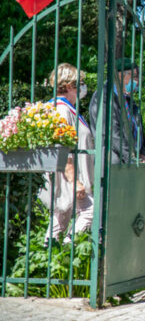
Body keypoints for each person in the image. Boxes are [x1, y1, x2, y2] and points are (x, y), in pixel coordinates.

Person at [40, 63, 95, 242]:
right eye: (81, 82)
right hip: (68, 175)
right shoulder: (62, 109)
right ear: (70, 85)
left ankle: (51, 257)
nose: (83, 87)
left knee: (61, 217)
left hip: (71, 174)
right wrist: (74, 181)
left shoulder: (67, 108)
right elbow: (61, 148)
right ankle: (67, 248)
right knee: (90, 211)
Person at [89, 58, 145, 163]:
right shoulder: (104, 96)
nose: (137, 81)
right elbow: (112, 133)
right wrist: (131, 157)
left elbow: (138, 128)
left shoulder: (128, 99)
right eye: (134, 76)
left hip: (131, 162)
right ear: (120, 76)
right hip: (113, 162)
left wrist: (142, 153)